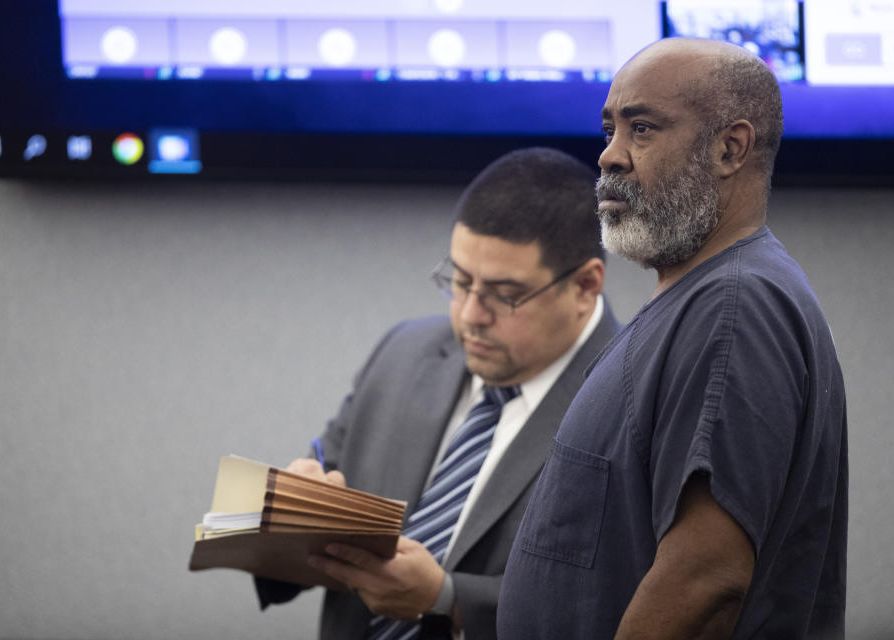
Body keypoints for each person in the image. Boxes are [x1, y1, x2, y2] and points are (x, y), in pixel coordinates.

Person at [497, 38, 848, 639]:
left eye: (643, 129)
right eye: (609, 129)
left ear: (729, 148)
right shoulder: (701, 301)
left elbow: (706, 582)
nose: (609, 156)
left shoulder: (737, 308)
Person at [255, 147, 620, 640]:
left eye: (503, 294)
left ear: (584, 287)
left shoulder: (633, 405)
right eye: (460, 281)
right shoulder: (404, 352)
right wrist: (292, 519)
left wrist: (447, 601)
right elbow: (316, 501)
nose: (470, 315)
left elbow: (615, 606)